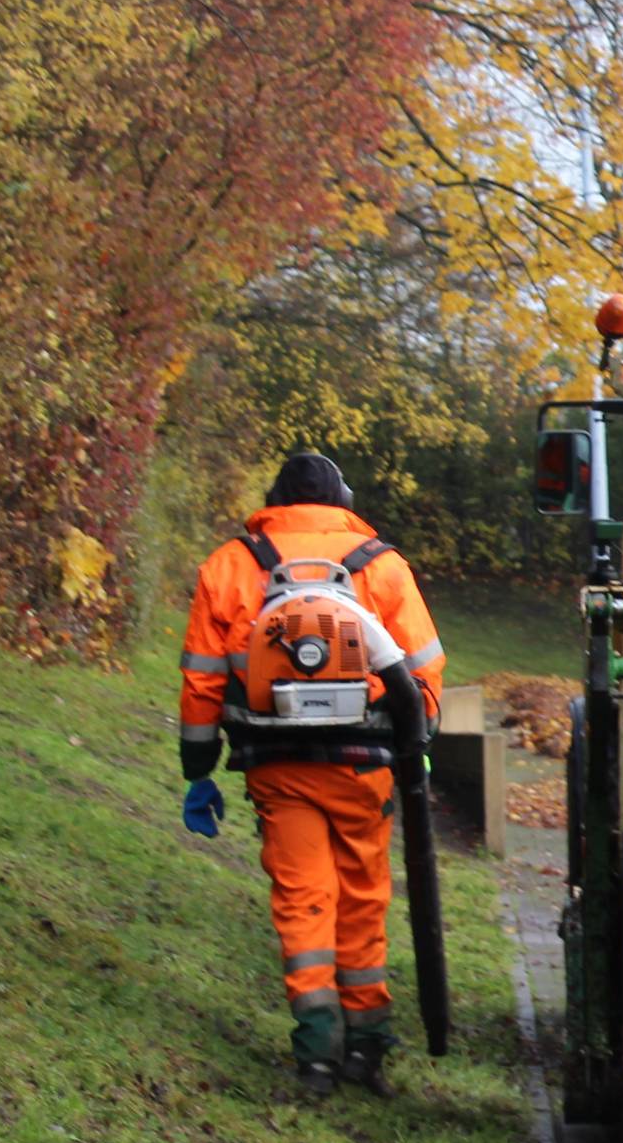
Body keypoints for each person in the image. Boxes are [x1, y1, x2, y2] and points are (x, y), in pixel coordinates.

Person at [176, 452, 443, 1100]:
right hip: (364, 765)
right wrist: (419, 737)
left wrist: (198, 768)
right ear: (342, 502)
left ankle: (316, 1053)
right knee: (362, 898)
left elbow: (202, 680)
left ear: (274, 501)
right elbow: (424, 669)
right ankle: (367, 1046)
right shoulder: (382, 565)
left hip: (277, 763)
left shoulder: (230, 564)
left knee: (303, 900)